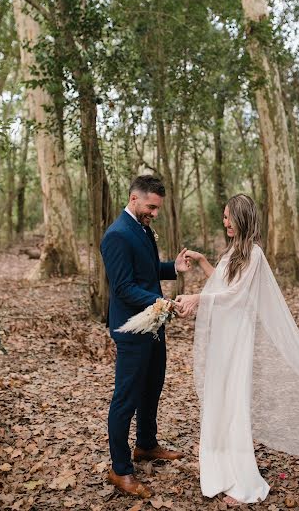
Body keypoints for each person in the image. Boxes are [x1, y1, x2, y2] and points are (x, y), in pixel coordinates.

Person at [176, 193, 299, 506]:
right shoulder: (233, 251)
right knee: (220, 398)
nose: (225, 221)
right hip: (223, 338)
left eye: (230, 216)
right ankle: (218, 463)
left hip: (238, 339)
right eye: (224, 216)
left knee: (234, 400)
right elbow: (221, 284)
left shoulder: (254, 254)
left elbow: (237, 296)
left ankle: (241, 478)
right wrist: (203, 261)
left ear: (243, 218)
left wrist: (198, 299)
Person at [101, 175, 191, 499]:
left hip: (153, 325)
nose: (154, 213)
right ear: (134, 198)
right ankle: (120, 469)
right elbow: (123, 287)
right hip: (131, 329)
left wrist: (173, 267)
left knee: (152, 387)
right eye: (151, 206)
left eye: (157, 208)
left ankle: (146, 445)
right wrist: (163, 302)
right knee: (125, 398)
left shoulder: (140, 228)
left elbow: (146, 271)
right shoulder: (116, 235)